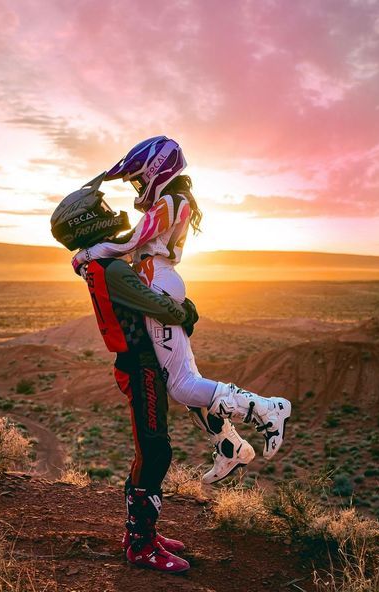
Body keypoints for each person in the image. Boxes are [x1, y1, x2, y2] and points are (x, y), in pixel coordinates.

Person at [71, 137, 292, 481]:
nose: (138, 187)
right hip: (158, 280)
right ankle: (231, 448)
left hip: (158, 282)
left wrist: (86, 254)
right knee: (186, 381)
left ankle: (267, 409)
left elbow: (130, 241)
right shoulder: (172, 201)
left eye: (140, 179)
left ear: (157, 171)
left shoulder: (171, 202)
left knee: (182, 385)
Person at [51, 173, 198, 572]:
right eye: (99, 210)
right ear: (86, 222)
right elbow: (160, 307)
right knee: (155, 451)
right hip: (140, 367)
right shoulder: (112, 268)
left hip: (136, 364)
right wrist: (184, 311)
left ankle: (142, 532)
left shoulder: (99, 262)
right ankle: (141, 545)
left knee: (149, 450)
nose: (108, 212)